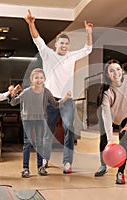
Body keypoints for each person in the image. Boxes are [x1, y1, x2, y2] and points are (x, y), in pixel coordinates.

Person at [24, 9, 93, 173]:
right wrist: (32, 24)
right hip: (49, 100)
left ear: (68, 46)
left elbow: (88, 49)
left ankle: (67, 163)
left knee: (69, 129)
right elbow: (37, 39)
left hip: (67, 100)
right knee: (48, 132)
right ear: (56, 44)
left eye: (66, 44)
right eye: (61, 43)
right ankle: (45, 160)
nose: (63, 45)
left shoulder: (72, 56)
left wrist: (89, 33)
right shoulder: (47, 54)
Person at [9, 68, 71, 178]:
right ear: (31, 79)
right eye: (36, 77)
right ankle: (25, 168)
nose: (39, 80)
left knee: (39, 143)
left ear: (45, 79)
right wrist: (13, 93)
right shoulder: (27, 92)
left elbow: (55, 104)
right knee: (27, 143)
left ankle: (40, 167)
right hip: (28, 120)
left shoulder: (46, 92)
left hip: (40, 120)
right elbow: (14, 103)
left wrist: (65, 98)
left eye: (41, 78)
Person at [94, 59, 127, 184]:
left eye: (118, 69)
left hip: (125, 115)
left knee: (124, 140)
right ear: (107, 75)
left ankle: (121, 172)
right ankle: (103, 165)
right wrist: (110, 140)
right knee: (103, 139)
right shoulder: (106, 92)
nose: (116, 73)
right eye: (112, 71)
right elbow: (107, 116)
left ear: (122, 70)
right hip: (108, 115)